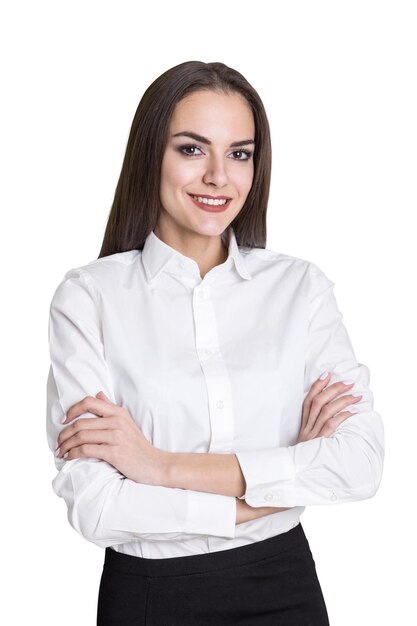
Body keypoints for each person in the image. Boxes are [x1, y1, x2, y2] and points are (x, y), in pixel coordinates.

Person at [46, 61, 384, 625]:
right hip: (152, 597)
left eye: (240, 153)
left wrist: (156, 465)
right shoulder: (90, 297)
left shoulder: (299, 289)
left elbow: (359, 464)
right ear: (150, 154)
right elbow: (98, 507)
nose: (219, 178)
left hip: (286, 588)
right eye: (192, 149)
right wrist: (274, 487)